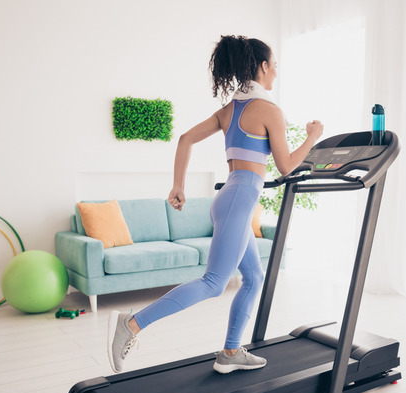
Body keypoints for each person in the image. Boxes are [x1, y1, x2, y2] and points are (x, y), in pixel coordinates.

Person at [107, 35, 324, 374]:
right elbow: (285, 166)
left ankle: (231, 352)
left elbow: (186, 139)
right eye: (275, 66)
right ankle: (132, 324)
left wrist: (178, 186)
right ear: (263, 66)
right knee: (213, 283)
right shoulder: (269, 110)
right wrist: (312, 136)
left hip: (228, 198)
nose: (276, 72)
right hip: (240, 199)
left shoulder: (229, 110)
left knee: (253, 277)